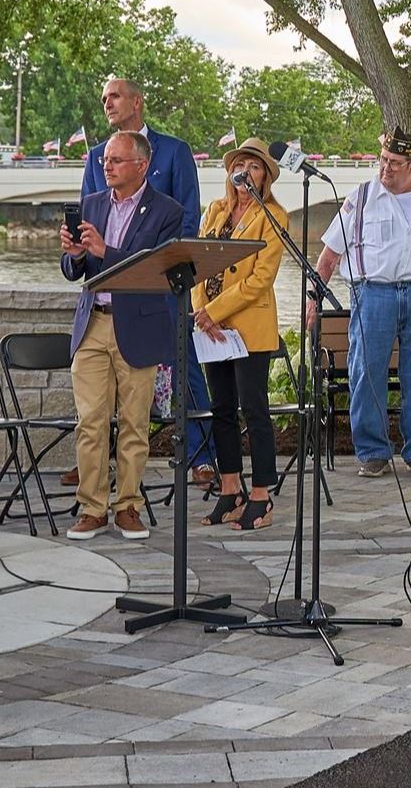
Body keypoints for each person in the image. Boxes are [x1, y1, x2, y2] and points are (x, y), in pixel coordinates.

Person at [312, 127, 411, 478]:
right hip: (372, 294)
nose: (385, 168)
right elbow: (329, 255)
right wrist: (313, 298)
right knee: (366, 371)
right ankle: (372, 451)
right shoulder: (362, 196)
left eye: (395, 163)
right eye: (383, 160)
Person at [78, 76, 214, 482]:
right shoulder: (96, 158)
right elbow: (90, 221)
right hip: (110, 294)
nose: (107, 103)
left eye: (115, 96)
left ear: (137, 102)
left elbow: (188, 219)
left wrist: (159, 271)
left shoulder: (174, 152)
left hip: (162, 287)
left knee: (183, 366)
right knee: (100, 389)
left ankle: (201, 454)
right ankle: (94, 463)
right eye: (103, 98)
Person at [58, 132, 185, 542]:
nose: (105, 166)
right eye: (104, 160)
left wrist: (103, 252)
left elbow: (152, 271)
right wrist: (75, 255)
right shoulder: (91, 205)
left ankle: (128, 506)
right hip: (92, 322)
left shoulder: (168, 211)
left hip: (139, 325)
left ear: (141, 165)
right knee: (91, 422)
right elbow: (71, 269)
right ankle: (92, 508)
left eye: (115, 160)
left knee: (134, 423)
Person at [191, 139, 289, 532]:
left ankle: (262, 496)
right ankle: (230, 489)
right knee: (222, 410)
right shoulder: (215, 210)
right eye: (241, 164)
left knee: (254, 409)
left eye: (255, 166)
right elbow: (196, 259)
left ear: (265, 176)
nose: (246, 172)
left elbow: (260, 278)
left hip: (248, 328)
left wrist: (214, 311)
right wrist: (202, 311)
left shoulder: (275, 215)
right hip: (211, 329)